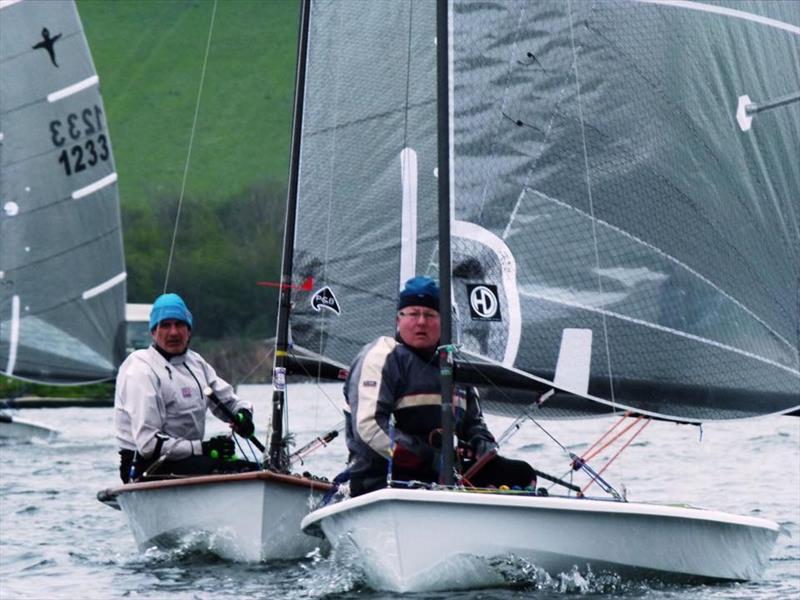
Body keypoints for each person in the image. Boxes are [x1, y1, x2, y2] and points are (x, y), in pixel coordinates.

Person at [344, 276, 537, 497]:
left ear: (443, 321)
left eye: (430, 315)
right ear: (399, 319)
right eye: (413, 314)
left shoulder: (452, 364)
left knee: (521, 474)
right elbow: (368, 428)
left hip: (445, 477)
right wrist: (426, 456)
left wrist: (481, 443)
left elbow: (474, 423)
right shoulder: (382, 356)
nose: (421, 322)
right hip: (385, 478)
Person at [114, 293, 258, 482]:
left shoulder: (196, 363)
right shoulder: (140, 370)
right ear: (153, 332)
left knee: (255, 469)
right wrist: (204, 448)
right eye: (165, 325)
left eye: (179, 325)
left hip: (188, 460)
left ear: (189, 331)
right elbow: (148, 445)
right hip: (145, 465)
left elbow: (230, 402)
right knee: (231, 470)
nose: (173, 332)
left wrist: (243, 415)